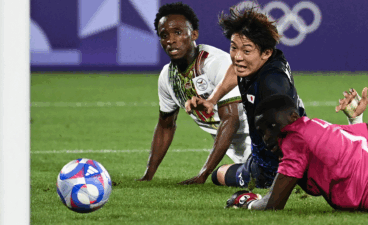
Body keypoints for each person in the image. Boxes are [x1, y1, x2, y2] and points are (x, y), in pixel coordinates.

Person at [186, 5, 306, 188]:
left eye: (246, 51)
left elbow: (289, 131)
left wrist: (286, 176)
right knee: (218, 175)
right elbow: (234, 70)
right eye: (234, 48)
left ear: (266, 53)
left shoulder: (273, 84)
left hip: (275, 168)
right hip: (257, 159)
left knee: (224, 177)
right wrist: (212, 100)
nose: (237, 57)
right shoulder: (252, 64)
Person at [138, 2, 251, 184]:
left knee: (221, 176)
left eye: (178, 32)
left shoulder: (216, 63)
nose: (171, 40)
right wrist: (148, 176)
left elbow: (231, 120)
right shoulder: (167, 77)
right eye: (164, 35)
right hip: (244, 157)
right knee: (221, 176)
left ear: (194, 34)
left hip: (267, 144)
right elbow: (166, 125)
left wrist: (203, 174)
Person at [226, 88, 368, 211]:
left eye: (271, 126)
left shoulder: (293, 138)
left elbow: (272, 204)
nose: (267, 137)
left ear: (294, 117)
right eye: (262, 132)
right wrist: (355, 120)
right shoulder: (317, 126)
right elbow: (359, 144)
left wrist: (248, 202)